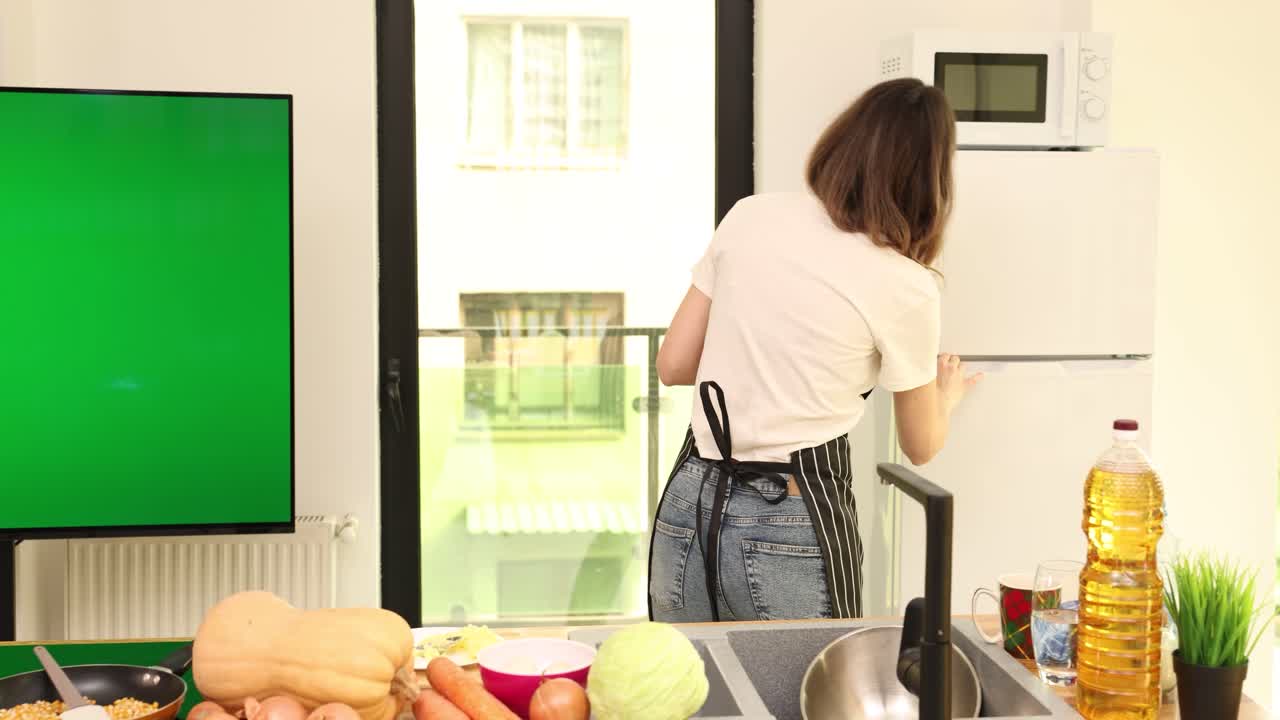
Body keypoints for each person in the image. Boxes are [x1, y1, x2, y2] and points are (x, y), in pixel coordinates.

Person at [648, 77, 980, 623]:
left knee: (686, 699)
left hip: (690, 500)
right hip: (792, 513)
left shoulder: (750, 215)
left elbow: (674, 365)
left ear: (841, 144)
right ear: (930, 183)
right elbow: (920, 445)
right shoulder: (905, 284)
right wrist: (947, 398)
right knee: (802, 703)